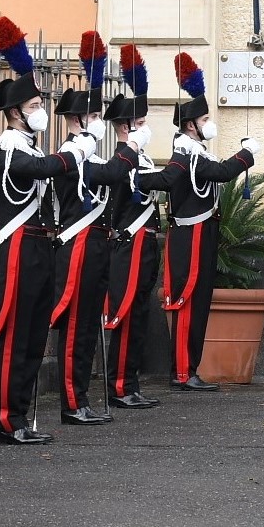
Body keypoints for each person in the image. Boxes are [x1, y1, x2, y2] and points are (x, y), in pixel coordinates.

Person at [0, 16, 95, 444]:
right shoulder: (8, 150)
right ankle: (8, 421)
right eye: (32, 108)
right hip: (15, 248)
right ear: (13, 113)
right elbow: (45, 168)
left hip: (37, 248)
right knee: (14, 336)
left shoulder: (25, 145)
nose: (40, 113)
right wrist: (77, 147)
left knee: (33, 336)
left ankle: (23, 416)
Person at [148, 52, 256, 391]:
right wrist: (247, 155)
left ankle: (189, 367)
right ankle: (182, 371)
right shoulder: (186, 152)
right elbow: (222, 172)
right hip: (190, 233)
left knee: (200, 303)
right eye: (205, 118)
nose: (210, 123)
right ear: (191, 124)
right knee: (187, 301)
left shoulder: (197, 151)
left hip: (203, 230)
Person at [49, 63, 138, 425]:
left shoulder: (90, 154)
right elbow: (111, 174)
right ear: (76, 120)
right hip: (79, 243)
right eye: (94, 115)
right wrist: (128, 147)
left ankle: (82, 397)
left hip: (97, 244)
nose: (99, 121)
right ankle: (72, 402)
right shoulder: (71, 154)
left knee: (89, 326)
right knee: (75, 326)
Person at [102, 44, 162, 409]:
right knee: (124, 314)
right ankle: (120, 385)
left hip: (146, 243)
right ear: (125, 127)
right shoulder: (120, 160)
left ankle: (132, 382)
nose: (144, 129)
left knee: (139, 314)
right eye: (139, 124)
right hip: (129, 244)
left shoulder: (139, 157)